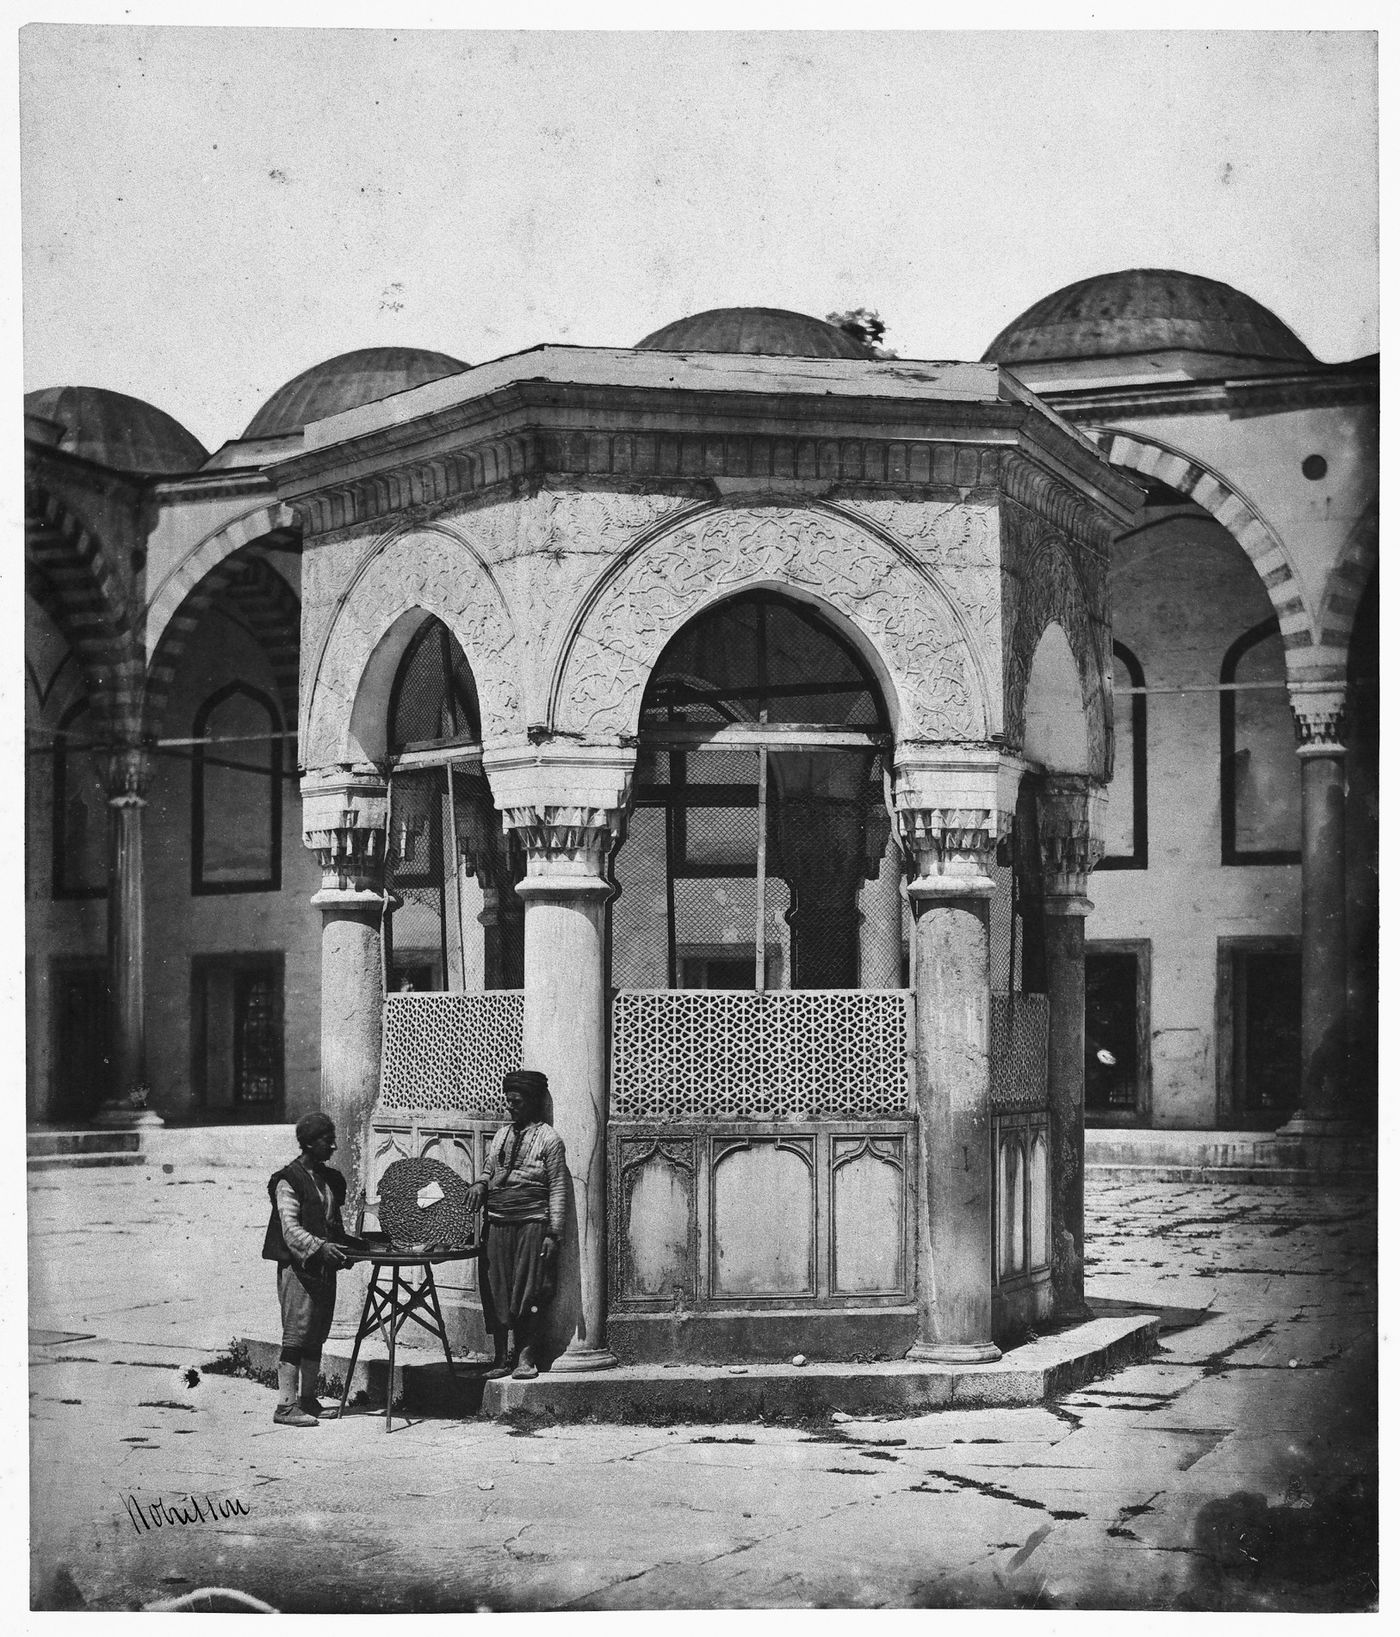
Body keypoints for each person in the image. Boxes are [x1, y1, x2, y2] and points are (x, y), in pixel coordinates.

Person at [466, 1070, 567, 1380]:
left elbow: (558, 1187)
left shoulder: (549, 1139)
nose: (511, 1107)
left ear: (533, 1102)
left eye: (517, 1102)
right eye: (508, 1102)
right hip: (497, 1222)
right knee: (496, 1289)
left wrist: (554, 1233)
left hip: (532, 1224)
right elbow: (488, 1170)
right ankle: (500, 1357)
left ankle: (526, 1356)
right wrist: (481, 1185)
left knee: (529, 1290)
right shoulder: (502, 1135)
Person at [261, 1111, 356, 1427]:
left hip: (322, 1269)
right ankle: (285, 1406)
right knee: (296, 1335)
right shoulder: (288, 1180)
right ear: (310, 1143)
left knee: (316, 1334)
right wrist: (321, 1247)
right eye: (328, 1141)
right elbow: (290, 1230)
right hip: (298, 1269)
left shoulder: (327, 1179)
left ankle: (307, 1399)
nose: (333, 1147)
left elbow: (332, 1224)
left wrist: (347, 1247)